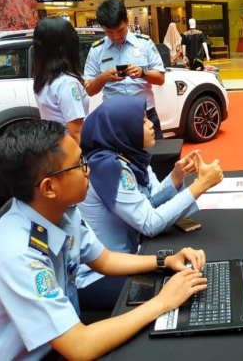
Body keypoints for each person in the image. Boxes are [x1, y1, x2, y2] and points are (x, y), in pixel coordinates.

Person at [0, 120, 208, 361]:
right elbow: (80, 347)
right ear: (48, 188)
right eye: (78, 164)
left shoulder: (64, 211)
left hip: (58, 340)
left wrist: (166, 260)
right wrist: (162, 302)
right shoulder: (17, 256)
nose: (88, 170)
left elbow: (106, 260)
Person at [76, 96, 224, 310]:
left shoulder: (131, 155)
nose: (151, 124)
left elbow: (149, 202)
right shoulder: (108, 167)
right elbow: (150, 223)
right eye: (142, 121)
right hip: (98, 275)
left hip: (130, 256)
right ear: (122, 129)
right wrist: (200, 185)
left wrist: (176, 176)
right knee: (178, 290)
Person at [84, 0, 166, 139]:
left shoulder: (145, 43)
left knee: (157, 159)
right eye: (109, 32)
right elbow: (89, 90)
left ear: (127, 21)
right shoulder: (97, 50)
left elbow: (160, 79)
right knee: (118, 160)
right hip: (114, 118)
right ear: (102, 27)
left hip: (146, 115)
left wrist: (142, 72)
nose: (116, 36)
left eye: (120, 30)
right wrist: (103, 78)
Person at [33, 17, 89, 145]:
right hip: (71, 152)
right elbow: (76, 133)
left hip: (55, 147)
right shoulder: (67, 83)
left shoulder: (43, 78)